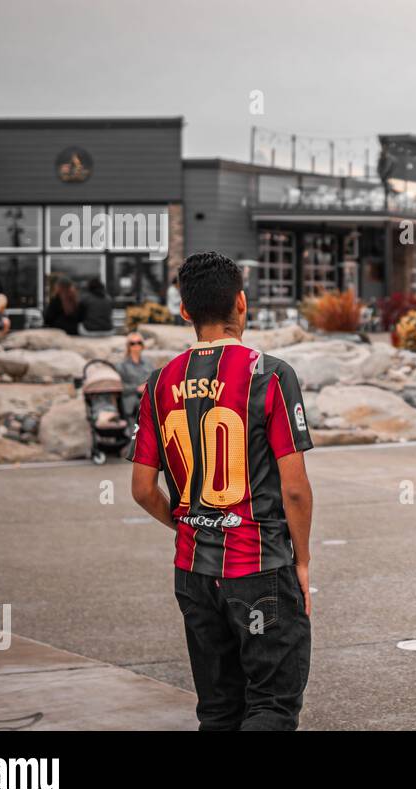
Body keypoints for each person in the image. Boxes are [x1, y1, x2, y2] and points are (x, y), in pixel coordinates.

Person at [129, 251, 314, 731]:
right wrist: (303, 560)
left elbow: (142, 489)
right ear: (241, 302)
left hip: (192, 572)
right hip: (258, 565)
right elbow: (294, 488)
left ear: (185, 311)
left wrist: (187, 520)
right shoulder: (269, 374)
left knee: (217, 710)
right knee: (271, 706)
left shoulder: (157, 384)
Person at [116, 332, 150, 421]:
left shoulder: (148, 364)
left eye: (139, 342)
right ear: (128, 346)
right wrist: (137, 388)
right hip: (131, 400)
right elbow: (120, 387)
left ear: (142, 345)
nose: (136, 345)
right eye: (132, 343)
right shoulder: (121, 366)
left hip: (148, 397)